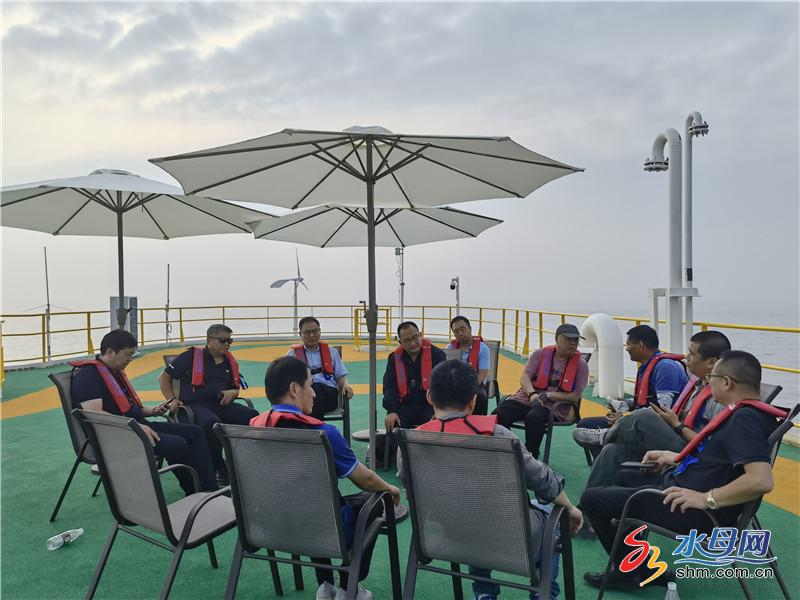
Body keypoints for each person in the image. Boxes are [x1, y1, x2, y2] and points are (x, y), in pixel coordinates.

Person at [580, 350, 787, 589]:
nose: (708, 382)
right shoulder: (750, 414)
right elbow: (720, 463)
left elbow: (760, 480)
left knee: (592, 499)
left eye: (712, 377)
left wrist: (706, 499)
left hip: (696, 513)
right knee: (625, 476)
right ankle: (637, 566)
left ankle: (632, 570)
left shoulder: (745, 420)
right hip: (682, 492)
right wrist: (675, 458)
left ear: (727, 382)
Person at [400, 360, 583, 600]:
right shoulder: (498, 436)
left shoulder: (411, 443)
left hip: (449, 538)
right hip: (511, 540)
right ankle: (543, 593)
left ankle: (484, 593)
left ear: (429, 396)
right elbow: (543, 480)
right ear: (473, 401)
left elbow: (411, 491)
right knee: (550, 515)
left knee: (470, 514)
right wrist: (570, 508)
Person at [250, 356, 400, 600]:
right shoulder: (322, 433)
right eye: (310, 385)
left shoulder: (252, 430)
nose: (314, 393)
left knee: (306, 504)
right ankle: (348, 588)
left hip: (273, 527)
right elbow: (367, 481)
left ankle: (325, 585)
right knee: (372, 502)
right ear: (294, 389)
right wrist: (390, 489)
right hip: (324, 529)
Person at [575, 330, 731, 489]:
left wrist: (677, 425)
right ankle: (588, 502)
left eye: (692, 354)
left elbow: (712, 448)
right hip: (676, 435)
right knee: (612, 451)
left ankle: (607, 435)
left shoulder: (720, 398)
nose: (687, 357)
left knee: (644, 416)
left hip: (690, 452)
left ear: (711, 362)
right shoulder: (698, 385)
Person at [71, 329, 217, 494]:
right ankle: (194, 491)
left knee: (195, 432)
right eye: (127, 354)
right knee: (177, 444)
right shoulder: (89, 376)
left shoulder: (113, 373)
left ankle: (210, 488)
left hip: (136, 426)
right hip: (117, 435)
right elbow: (95, 415)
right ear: (110, 352)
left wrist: (154, 410)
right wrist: (136, 427)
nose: (130, 359)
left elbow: (131, 409)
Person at [158, 324, 258, 484]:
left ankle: (240, 461)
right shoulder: (191, 356)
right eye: (223, 340)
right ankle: (218, 465)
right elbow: (164, 377)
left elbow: (235, 388)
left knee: (251, 416)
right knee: (211, 423)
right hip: (194, 406)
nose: (227, 344)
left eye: (230, 341)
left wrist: (232, 393)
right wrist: (171, 399)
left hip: (222, 404)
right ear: (209, 340)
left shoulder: (229, 361)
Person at [573, 324, 688, 439]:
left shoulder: (666, 368)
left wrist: (624, 420)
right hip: (642, 421)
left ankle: (607, 437)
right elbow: (646, 401)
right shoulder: (647, 366)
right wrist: (623, 404)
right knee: (584, 424)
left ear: (640, 345)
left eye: (628, 344)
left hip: (662, 430)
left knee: (596, 434)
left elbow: (663, 411)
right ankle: (608, 438)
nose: (626, 348)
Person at [495, 324, 589, 458]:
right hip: (528, 398)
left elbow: (575, 396)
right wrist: (532, 394)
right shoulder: (540, 354)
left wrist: (548, 395)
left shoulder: (581, 365)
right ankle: (507, 451)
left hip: (554, 406)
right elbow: (525, 377)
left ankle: (530, 456)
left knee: (534, 417)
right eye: (569, 339)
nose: (573, 343)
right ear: (557, 339)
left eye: (576, 340)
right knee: (501, 411)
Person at [382, 321, 447, 432]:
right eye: (407, 340)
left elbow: (445, 386)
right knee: (393, 426)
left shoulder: (437, 355)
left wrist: (441, 411)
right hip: (405, 406)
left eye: (415, 337)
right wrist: (391, 411)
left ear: (420, 335)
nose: (412, 343)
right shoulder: (394, 359)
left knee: (437, 426)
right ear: (400, 342)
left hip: (431, 407)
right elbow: (389, 386)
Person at [287, 316, 354, 420]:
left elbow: (340, 375)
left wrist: (346, 385)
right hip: (304, 396)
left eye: (315, 331)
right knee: (312, 393)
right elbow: (287, 379)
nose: (312, 335)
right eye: (307, 332)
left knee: (317, 389)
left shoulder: (331, 352)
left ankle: (311, 425)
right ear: (300, 334)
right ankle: (317, 425)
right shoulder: (292, 355)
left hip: (329, 395)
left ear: (320, 331)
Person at [447, 315, 490, 415]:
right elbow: (446, 370)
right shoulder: (450, 348)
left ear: (470, 328)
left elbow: (482, 374)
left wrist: (468, 389)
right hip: (455, 383)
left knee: (480, 396)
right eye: (456, 331)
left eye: (463, 329)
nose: (460, 333)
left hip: (475, 383)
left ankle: (477, 422)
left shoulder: (483, 349)